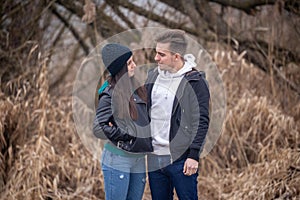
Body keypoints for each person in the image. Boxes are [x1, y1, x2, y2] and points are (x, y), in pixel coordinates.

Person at [145, 29, 210, 200]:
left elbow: (201, 121)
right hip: (154, 158)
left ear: (176, 56)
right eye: (156, 53)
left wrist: (194, 155)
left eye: (161, 54)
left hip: (181, 160)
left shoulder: (195, 81)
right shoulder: (152, 76)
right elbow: (143, 110)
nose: (155, 58)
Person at [94, 43, 153, 200]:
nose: (134, 65)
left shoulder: (138, 89)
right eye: (129, 63)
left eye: (133, 61)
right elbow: (99, 127)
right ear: (120, 69)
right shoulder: (109, 94)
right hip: (117, 159)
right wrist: (127, 134)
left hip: (139, 159)